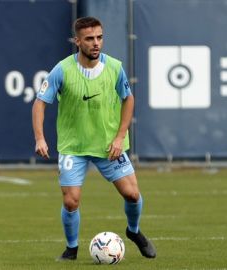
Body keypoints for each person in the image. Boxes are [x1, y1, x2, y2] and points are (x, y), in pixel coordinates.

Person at [32, 16, 156, 261]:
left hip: (108, 145)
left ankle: (134, 231)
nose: (96, 43)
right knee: (71, 201)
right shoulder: (62, 70)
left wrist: (120, 137)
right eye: (89, 39)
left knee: (132, 195)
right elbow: (39, 103)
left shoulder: (114, 67)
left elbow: (128, 99)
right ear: (77, 41)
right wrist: (40, 138)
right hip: (74, 147)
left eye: (99, 37)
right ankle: (71, 248)